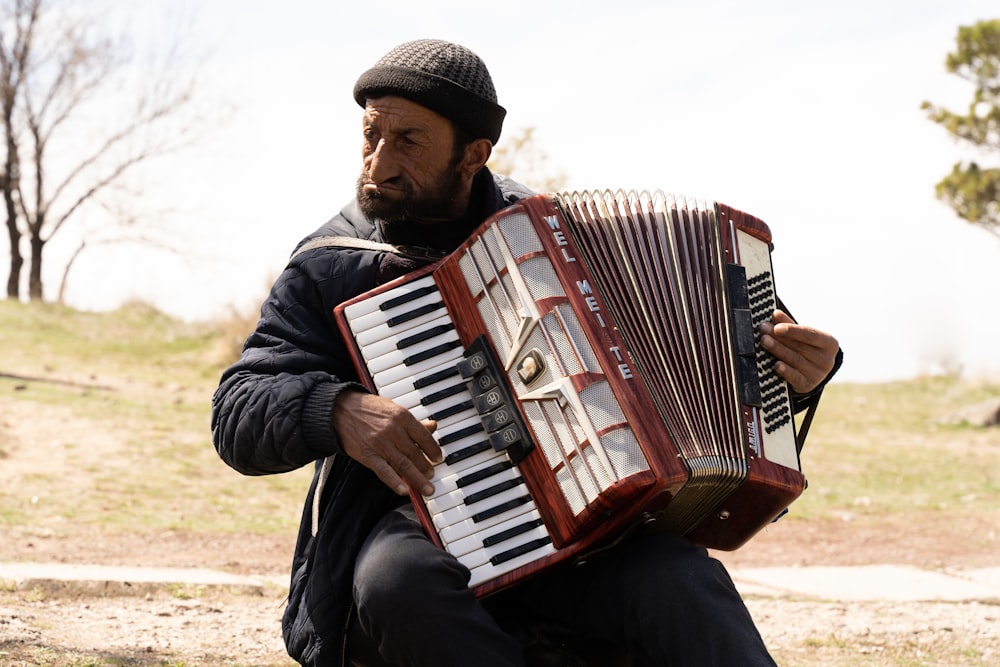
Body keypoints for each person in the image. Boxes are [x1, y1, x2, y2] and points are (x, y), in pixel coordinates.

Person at [211, 39, 843, 667]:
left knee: (678, 579)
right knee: (397, 583)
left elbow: (700, 358)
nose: (377, 164)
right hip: (419, 519)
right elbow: (238, 408)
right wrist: (337, 409)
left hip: (581, 517)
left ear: (474, 155)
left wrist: (796, 371)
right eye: (371, 135)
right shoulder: (332, 265)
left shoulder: (551, 235)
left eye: (408, 141)